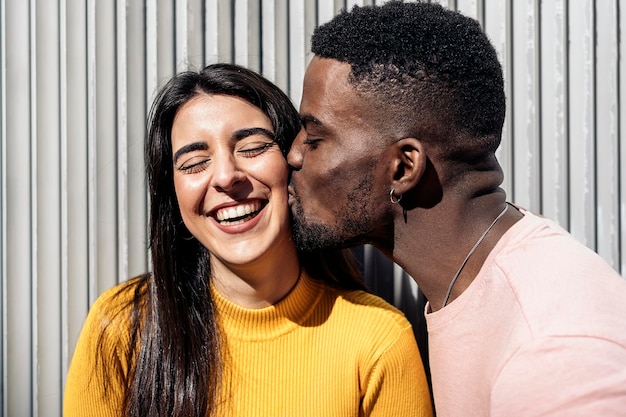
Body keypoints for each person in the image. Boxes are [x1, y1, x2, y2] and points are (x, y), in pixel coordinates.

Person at [287, 1, 626, 416]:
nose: (292, 156)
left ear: (403, 167)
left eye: (314, 138)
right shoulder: (481, 284)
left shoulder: (555, 352)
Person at [63, 63, 433, 417]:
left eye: (252, 147)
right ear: (172, 195)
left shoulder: (379, 341)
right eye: (193, 163)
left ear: (294, 161)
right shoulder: (121, 328)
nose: (226, 176)